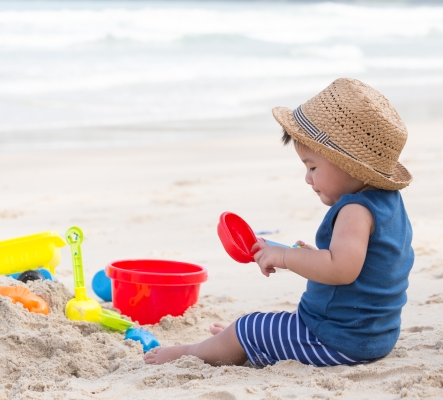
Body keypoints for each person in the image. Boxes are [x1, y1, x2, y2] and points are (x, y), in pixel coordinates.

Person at [144, 78, 414, 367]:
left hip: (338, 340)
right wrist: (312, 256)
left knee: (247, 326)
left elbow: (342, 270)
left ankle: (195, 352)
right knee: (259, 329)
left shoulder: (355, 211)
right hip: (373, 336)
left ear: (348, 164)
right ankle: (247, 343)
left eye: (312, 167)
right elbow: (363, 266)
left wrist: (287, 256)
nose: (308, 178)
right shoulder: (388, 203)